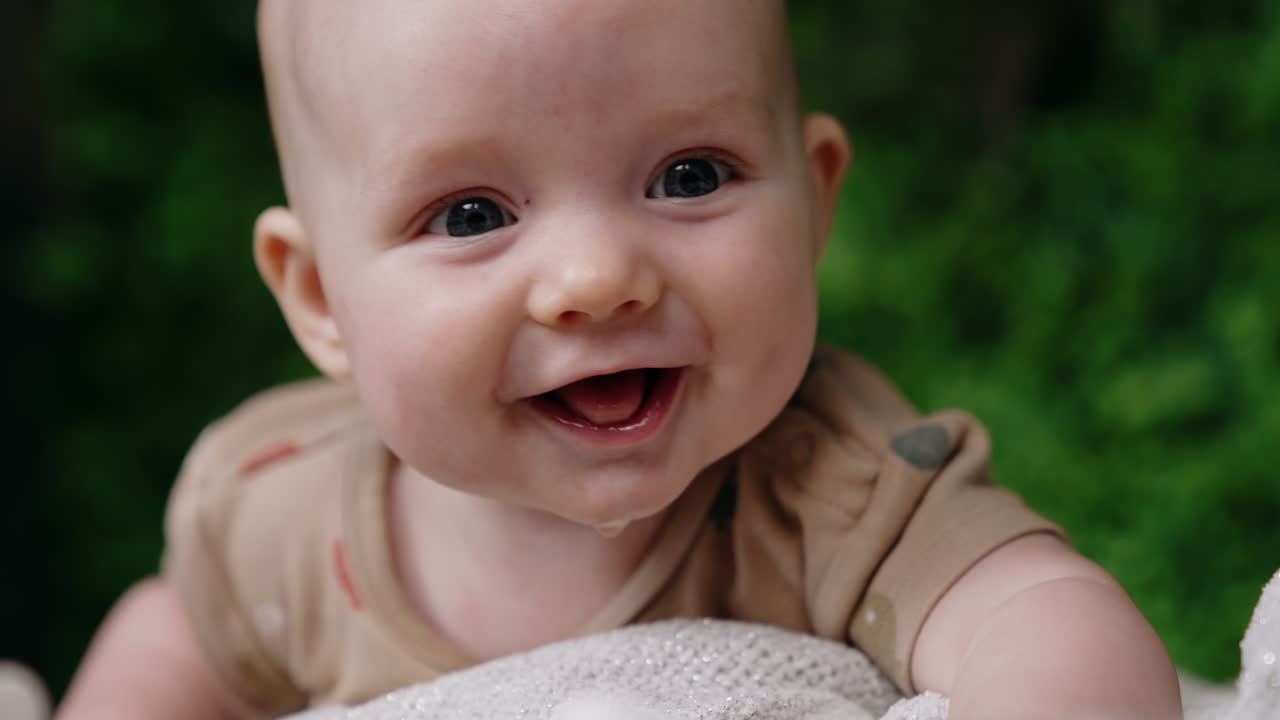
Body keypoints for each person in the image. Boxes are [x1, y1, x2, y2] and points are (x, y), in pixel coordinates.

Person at [57, 1, 1184, 719]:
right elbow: (181, 633)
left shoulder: (832, 493)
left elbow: (1043, 622)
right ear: (321, 300)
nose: (597, 276)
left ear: (812, 199)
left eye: (688, 177)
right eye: (469, 214)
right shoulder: (282, 516)